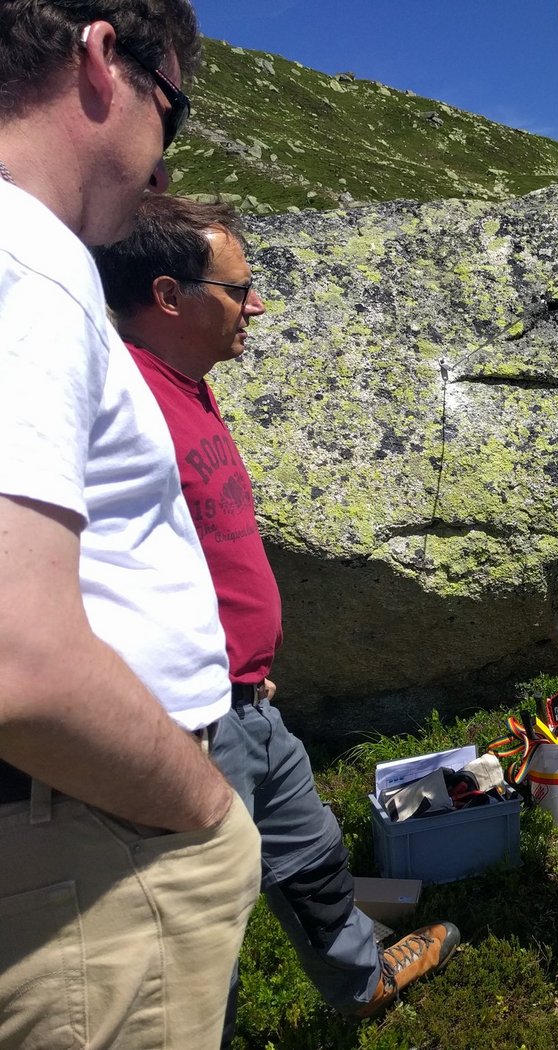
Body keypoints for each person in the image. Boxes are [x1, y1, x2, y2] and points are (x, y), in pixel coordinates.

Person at [92, 195, 462, 1037]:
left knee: (311, 856)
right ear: (169, 295)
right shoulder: (124, 401)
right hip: (184, 723)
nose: (255, 305)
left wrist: (250, 655)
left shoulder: (190, 388)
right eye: (239, 287)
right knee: (197, 916)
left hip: (252, 701)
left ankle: (364, 981)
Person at [0, 3, 261, 1046]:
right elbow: (18, 655)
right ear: (104, 61)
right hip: (90, 836)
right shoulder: (32, 261)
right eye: (175, 112)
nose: (160, 165)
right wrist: (204, 816)